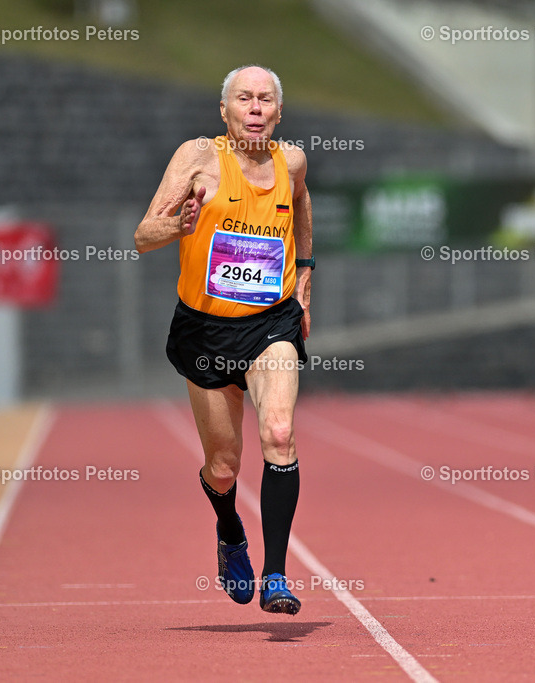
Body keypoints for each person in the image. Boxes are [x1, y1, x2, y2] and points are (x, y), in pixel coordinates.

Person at [135, 65, 314, 614]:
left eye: (265, 100)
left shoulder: (293, 161)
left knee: (280, 433)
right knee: (224, 464)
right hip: (206, 330)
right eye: (244, 98)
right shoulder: (197, 157)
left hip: (271, 324)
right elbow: (144, 236)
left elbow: (302, 204)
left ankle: (277, 575)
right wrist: (181, 225)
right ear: (225, 111)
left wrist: (305, 268)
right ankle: (229, 528)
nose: (255, 108)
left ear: (278, 113)